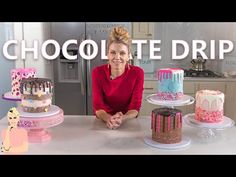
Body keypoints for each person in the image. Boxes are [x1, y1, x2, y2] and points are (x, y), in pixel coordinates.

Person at [92, 26, 144, 129]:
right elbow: (98, 107)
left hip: (128, 123)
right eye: (113, 52)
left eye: (122, 53)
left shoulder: (137, 73)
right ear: (107, 54)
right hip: (103, 123)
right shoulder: (97, 73)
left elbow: (135, 108)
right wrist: (109, 119)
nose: (117, 57)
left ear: (128, 56)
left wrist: (122, 118)